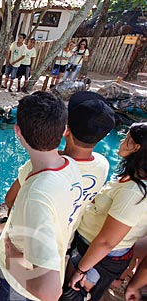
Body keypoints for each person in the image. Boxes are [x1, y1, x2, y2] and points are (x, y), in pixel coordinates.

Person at [0, 91, 116, 300]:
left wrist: (12, 258)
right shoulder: (72, 166)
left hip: (18, 285)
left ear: (17, 131)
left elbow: (50, 292)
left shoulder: (37, 194)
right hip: (42, 254)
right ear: (64, 129)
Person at [64, 122, 147, 301]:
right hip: (89, 247)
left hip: (97, 256)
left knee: (72, 292)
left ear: (137, 147)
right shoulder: (132, 179)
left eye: (127, 139)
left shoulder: (133, 193)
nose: (122, 141)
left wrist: (81, 270)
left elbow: (106, 242)